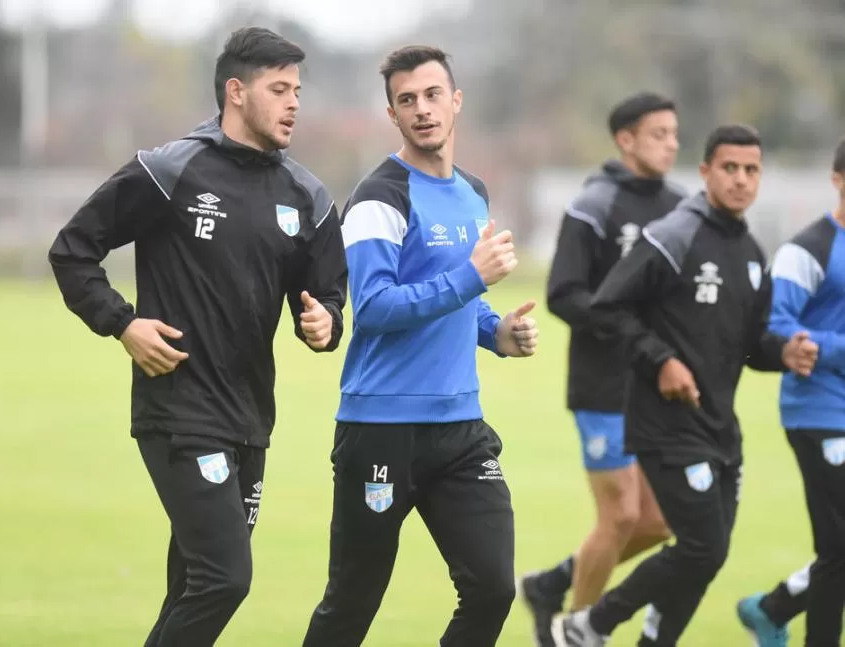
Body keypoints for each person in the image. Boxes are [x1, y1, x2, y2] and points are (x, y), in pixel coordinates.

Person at [48, 27, 347, 647]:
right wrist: (123, 322)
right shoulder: (170, 170)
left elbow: (328, 296)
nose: (295, 102)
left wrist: (326, 322)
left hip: (250, 419)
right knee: (225, 579)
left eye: (298, 90)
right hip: (178, 411)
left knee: (192, 586)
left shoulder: (307, 196)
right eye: (279, 89)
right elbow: (73, 251)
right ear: (236, 92)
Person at [300, 45, 539, 647]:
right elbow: (374, 308)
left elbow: (463, 301)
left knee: (493, 587)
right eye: (407, 100)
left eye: (433, 96)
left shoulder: (473, 192)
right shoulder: (379, 197)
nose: (423, 109)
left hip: (460, 427)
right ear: (393, 114)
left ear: (456, 101)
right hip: (381, 427)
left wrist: (497, 333)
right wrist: (473, 278)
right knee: (352, 604)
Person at [551, 124, 820, 647]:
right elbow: (607, 304)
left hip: (721, 427)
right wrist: (661, 361)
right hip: (665, 424)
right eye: (730, 168)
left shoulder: (750, 252)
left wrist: (783, 353)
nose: (741, 180)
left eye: (751, 170)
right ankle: (589, 624)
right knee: (701, 547)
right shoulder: (674, 236)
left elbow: (750, 345)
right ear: (706, 172)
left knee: (708, 555)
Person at [521, 92, 684, 644]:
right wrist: (629, 329)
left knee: (659, 523)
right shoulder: (593, 204)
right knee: (618, 518)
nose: (671, 143)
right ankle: (579, 631)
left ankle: (553, 585)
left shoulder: (683, 209)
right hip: (603, 386)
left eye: (674, 133)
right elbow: (563, 294)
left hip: (658, 386)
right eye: (658, 133)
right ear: (626, 139)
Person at [736, 136, 845, 647]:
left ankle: (773, 608)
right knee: (839, 547)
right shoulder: (810, 248)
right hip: (819, 410)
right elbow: (775, 327)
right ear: (838, 180)